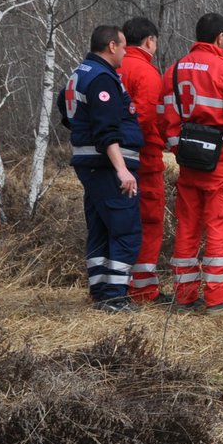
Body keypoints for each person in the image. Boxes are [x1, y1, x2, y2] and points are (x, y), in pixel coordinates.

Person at [161, 12, 223, 313]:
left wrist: (180, 151)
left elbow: (168, 118)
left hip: (190, 162)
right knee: (221, 226)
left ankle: (184, 295)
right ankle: (217, 296)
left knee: (187, 226)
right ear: (220, 37)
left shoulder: (173, 70)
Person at [60, 25, 143, 312]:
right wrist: (122, 169)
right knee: (125, 229)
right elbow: (106, 130)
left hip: (91, 166)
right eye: (123, 47)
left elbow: (67, 112)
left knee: (100, 228)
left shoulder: (79, 74)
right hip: (106, 167)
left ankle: (100, 291)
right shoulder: (101, 79)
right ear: (111, 46)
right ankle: (115, 297)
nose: (125, 53)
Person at [120, 16, 171, 305]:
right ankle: (142, 289)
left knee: (118, 223)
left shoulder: (110, 67)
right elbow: (148, 118)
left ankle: (115, 285)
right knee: (149, 223)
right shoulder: (146, 72)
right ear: (149, 41)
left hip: (111, 160)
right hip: (144, 160)